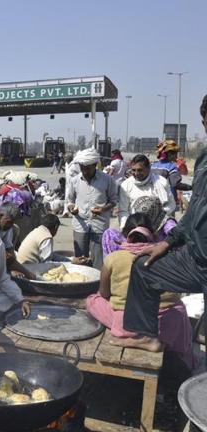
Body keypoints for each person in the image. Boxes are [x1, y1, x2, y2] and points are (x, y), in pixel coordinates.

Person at [117, 95, 207, 352]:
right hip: (195, 259)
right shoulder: (203, 160)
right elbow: (193, 211)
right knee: (144, 269)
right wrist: (167, 243)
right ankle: (146, 335)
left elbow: (169, 205)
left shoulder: (159, 181)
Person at [86, 213, 194, 367]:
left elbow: (104, 294)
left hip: (128, 323)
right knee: (179, 307)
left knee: (92, 300)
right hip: (168, 322)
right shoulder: (167, 256)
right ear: (153, 233)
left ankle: (135, 338)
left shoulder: (114, 258)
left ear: (125, 234)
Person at [66, 148, 118, 269]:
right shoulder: (74, 181)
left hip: (99, 225)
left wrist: (103, 209)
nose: (85, 171)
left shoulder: (107, 180)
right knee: (80, 260)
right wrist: (71, 208)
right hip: (80, 224)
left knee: (98, 259)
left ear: (95, 165)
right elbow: (69, 201)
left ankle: (97, 284)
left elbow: (113, 201)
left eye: (88, 168)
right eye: (82, 168)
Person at [117, 154, 175, 229]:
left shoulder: (161, 182)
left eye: (140, 170)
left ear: (148, 168)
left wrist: (159, 225)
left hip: (159, 228)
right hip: (135, 229)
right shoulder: (126, 185)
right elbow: (123, 211)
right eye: (133, 170)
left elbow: (170, 206)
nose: (136, 173)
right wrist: (126, 229)